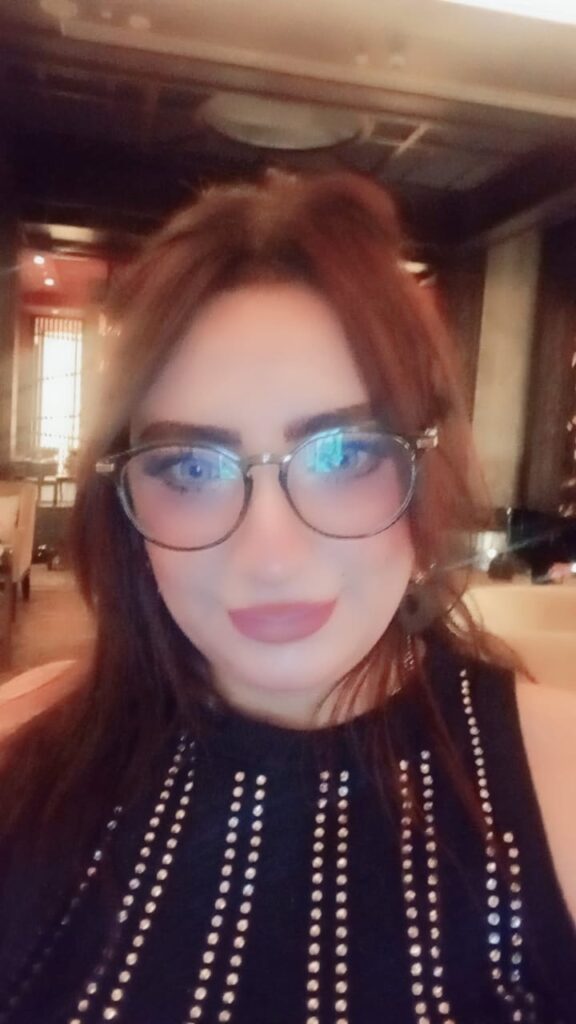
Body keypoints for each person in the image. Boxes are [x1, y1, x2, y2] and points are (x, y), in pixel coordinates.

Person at [0, 170, 575, 1024]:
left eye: (345, 456)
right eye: (189, 468)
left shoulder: (561, 777)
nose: (270, 557)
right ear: (122, 504)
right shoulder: (22, 757)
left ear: (428, 472)